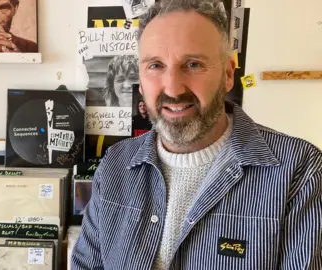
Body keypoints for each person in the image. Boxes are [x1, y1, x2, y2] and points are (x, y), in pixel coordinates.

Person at [71, 0, 322, 269]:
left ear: (227, 74)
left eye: (192, 64)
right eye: (155, 65)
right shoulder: (115, 165)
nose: (174, 88)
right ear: (141, 81)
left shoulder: (300, 171)